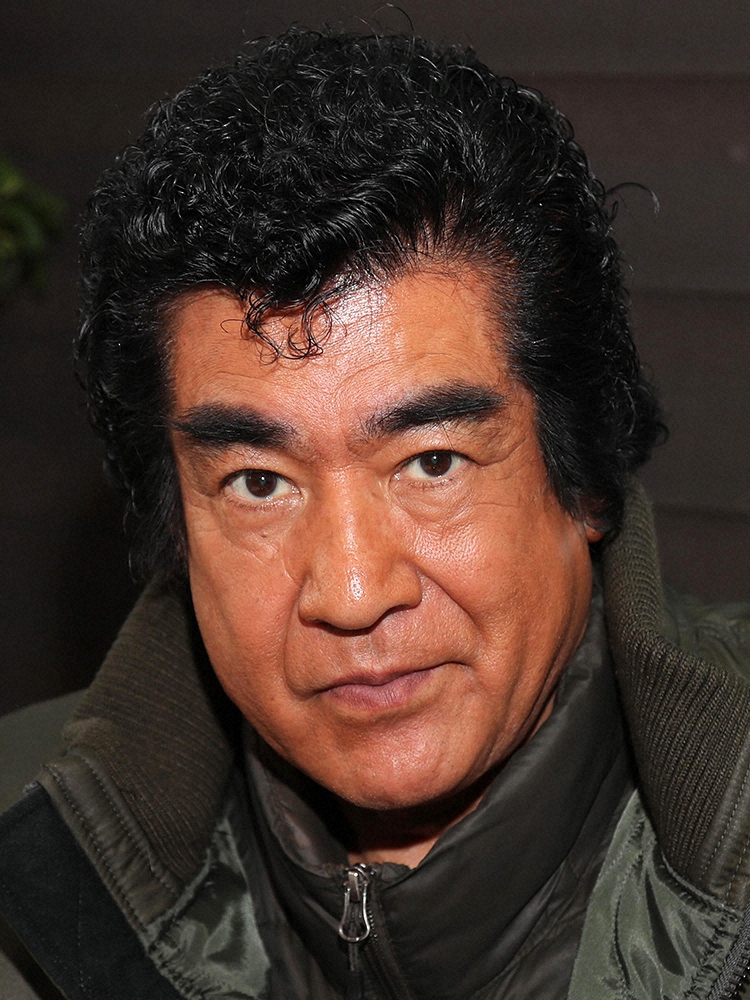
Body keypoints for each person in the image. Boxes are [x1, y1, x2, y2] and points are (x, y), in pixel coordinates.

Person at [1, 27, 749, 1000]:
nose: (352, 593)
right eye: (259, 482)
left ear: (586, 483)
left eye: (432, 463)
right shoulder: (30, 854)